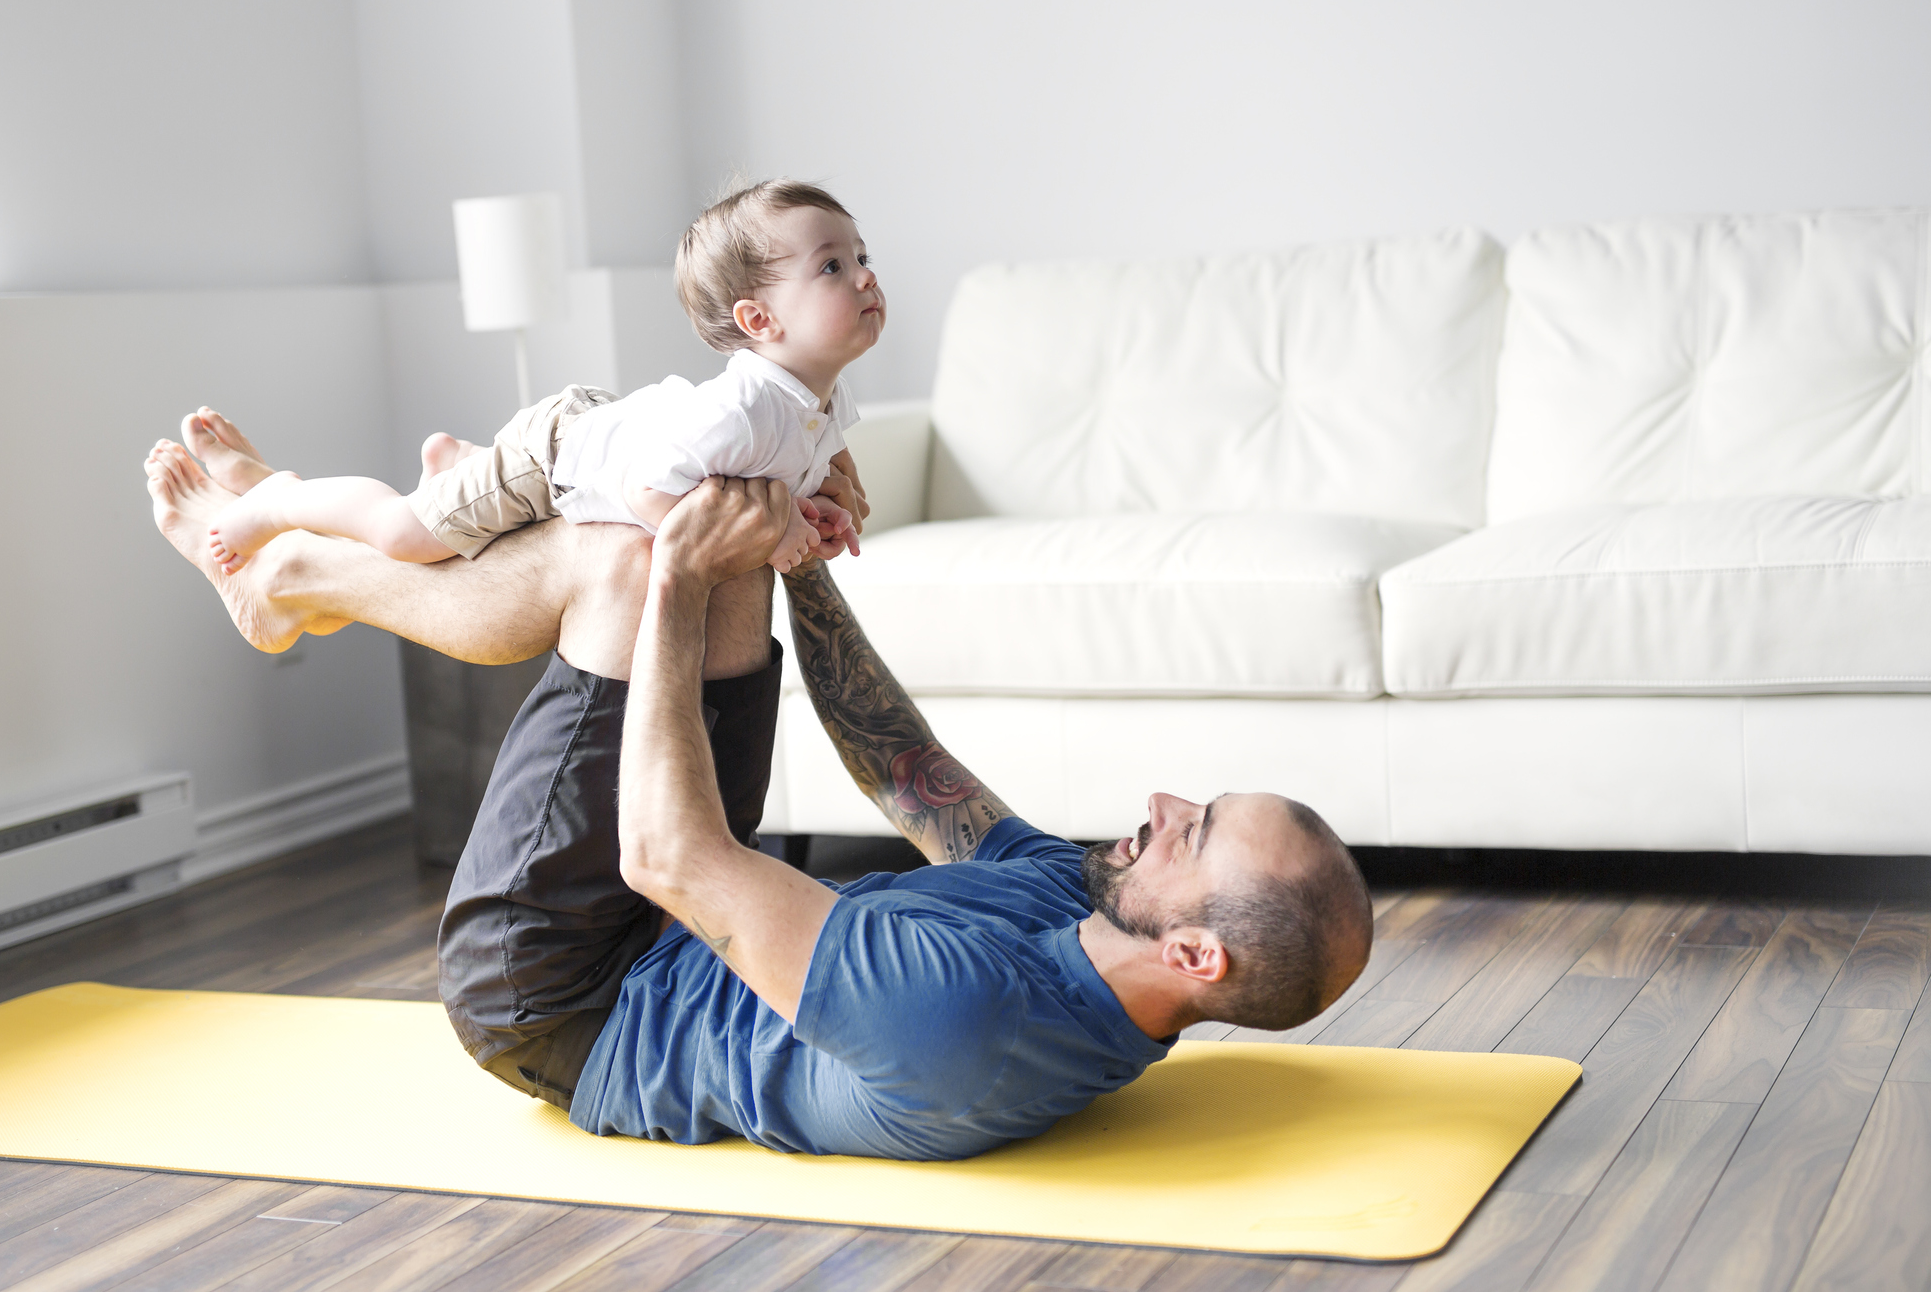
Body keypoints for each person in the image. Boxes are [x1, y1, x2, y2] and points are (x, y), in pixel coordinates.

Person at [146, 412, 1376, 1160]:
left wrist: (679, 572)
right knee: (714, 549)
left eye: (1193, 831)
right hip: (686, 920)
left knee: (632, 564)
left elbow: (667, 859)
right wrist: (795, 547)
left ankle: (296, 571)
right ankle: (308, 543)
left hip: (568, 987)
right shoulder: (1093, 907)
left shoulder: (972, 1023)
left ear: (1202, 958)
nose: (1162, 803)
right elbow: (902, 762)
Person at [198, 180, 877, 579]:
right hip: (552, 457)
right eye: (831, 267)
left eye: (859, 257)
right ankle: (279, 501)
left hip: (601, 427)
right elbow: (648, 490)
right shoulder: (746, 405)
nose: (864, 275)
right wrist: (761, 534)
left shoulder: (821, 393)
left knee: (451, 500)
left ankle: (458, 463)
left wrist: (819, 507)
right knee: (405, 535)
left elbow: (790, 466)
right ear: (758, 319)